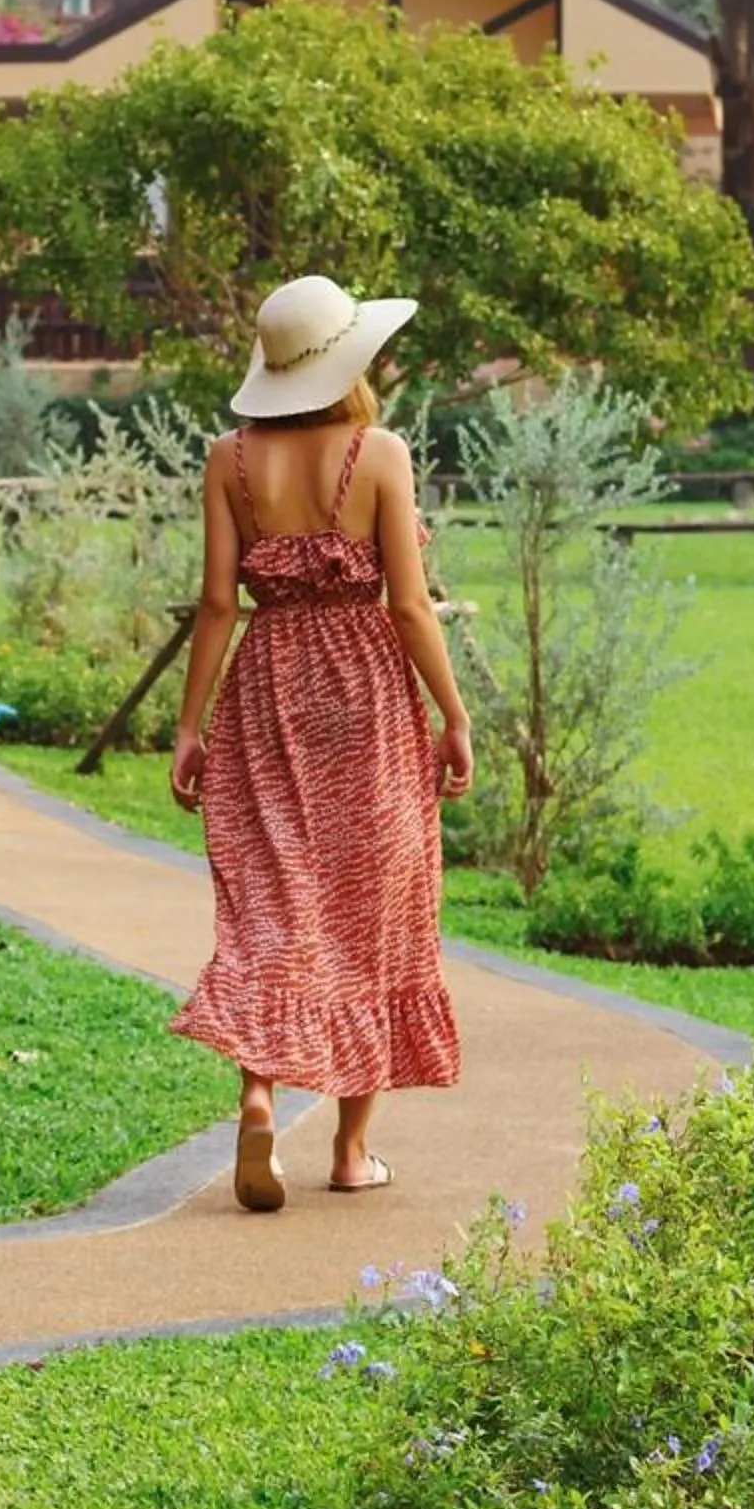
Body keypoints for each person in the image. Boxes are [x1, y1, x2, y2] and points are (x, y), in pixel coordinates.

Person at [169, 274, 473, 1214]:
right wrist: (455, 716)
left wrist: (189, 726)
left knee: (276, 901)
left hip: (267, 688)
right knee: (370, 913)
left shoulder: (229, 458)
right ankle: (349, 1152)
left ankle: (260, 1091)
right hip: (368, 695)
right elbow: (410, 605)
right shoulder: (379, 453)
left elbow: (219, 603)